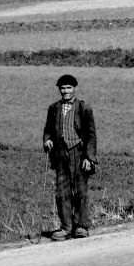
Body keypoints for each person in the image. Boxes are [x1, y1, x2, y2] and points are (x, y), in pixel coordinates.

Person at [42, 74, 97, 241]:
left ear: (74, 89)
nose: (65, 91)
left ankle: (82, 226)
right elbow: (48, 130)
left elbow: (91, 135)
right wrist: (48, 140)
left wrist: (89, 158)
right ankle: (66, 227)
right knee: (62, 191)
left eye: (69, 88)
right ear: (59, 89)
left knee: (80, 190)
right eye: (63, 88)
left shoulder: (83, 108)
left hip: (79, 154)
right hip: (60, 155)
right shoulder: (54, 108)